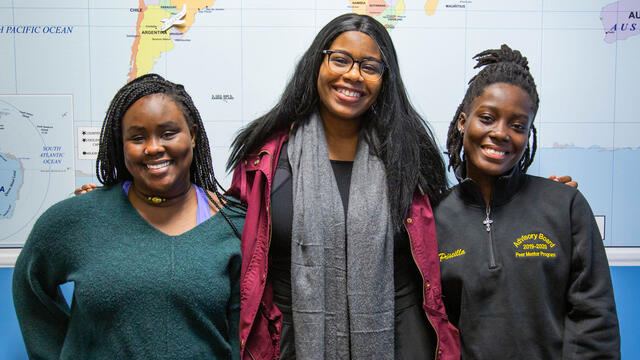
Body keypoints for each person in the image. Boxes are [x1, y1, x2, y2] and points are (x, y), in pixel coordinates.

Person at [226, 13, 458, 360]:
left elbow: (453, 219)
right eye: (340, 60)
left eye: (370, 66)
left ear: (385, 79)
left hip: (399, 340)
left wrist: (527, 196)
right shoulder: (265, 159)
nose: (353, 75)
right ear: (317, 64)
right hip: (292, 341)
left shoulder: (410, 154)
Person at [13, 74, 245, 359]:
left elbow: (244, 337)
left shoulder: (234, 225)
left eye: (168, 133)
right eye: (137, 137)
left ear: (193, 135)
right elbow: (29, 285)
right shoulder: (79, 218)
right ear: (121, 145)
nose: (153, 147)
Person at [435, 45, 620, 359]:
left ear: (528, 134)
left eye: (518, 126)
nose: (501, 133)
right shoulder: (435, 217)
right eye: (488, 118)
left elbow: (594, 320)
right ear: (463, 122)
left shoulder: (565, 206)